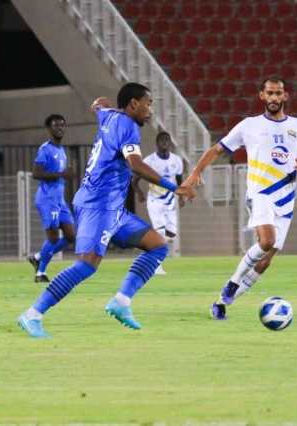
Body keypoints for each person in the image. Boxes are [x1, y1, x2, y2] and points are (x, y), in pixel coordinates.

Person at [17, 83, 196, 338]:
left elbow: (98, 104)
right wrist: (174, 187)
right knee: (87, 265)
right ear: (133, 104)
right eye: (148, 103)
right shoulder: (128, 128)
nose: (151, 110)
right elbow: (135, 165)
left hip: (112, 208)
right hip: (97, 205)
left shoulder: (109, 115)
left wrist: (101, 106)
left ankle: (121, 302)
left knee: (157, 246)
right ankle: (32, 314)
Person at [184, 76, 297, 320]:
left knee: (265, 261)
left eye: (278, 93)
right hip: (260, 193)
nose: (274, 98)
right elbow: (217, 149)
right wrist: (195, 173)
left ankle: (222, 302)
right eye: (270, 93)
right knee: (266, 241)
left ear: (285, 96)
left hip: (286, 198)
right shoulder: (249, 125)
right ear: (262, 96)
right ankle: (232, 283)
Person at [27, 114, 76, 283]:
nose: (60, 128)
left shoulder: (62, 151)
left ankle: (39, 256)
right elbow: (36, 173)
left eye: (62, 125)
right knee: (53, 238)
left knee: (71, 236)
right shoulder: (45, 149)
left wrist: (66, 175)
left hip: (59, 200)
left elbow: (61, 176)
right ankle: (40, 273)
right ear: (49, 128)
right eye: (56, 125)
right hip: (47, 200)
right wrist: (62, 174)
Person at [133, 131, 185, 275]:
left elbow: (180, 181)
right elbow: (135, 180)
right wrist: (140, 193)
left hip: (170, 201)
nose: (164, 143)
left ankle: (150, 248)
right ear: (156, 144)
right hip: (154, 200)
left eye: (167, 140)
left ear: (170, 143)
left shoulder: (177, 160)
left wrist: (181, 196)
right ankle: (156, 265)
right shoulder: (149, 161)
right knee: (160, 231)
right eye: (161, 140)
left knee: (172, 233)